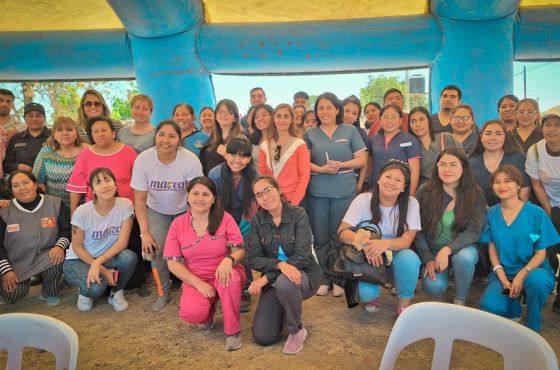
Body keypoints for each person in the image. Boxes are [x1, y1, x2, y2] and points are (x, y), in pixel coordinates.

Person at [164, 176, 246, 351]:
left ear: (214, 198)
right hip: (196, 277)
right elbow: (173, 263)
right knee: (192, 313)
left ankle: (233, 331)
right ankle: (207, 313)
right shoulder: (178, 224)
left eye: (205, 194)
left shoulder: (225, 218)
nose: (200, 198)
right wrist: (198, 284)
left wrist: (228, 260)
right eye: (195, 193)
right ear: (187, 197)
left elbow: (240, 249)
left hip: (224, 272)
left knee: (229, 281)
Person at [131, 120, 203, 311]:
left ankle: (194, 287)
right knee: (157, 248)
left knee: (190, 248)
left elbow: (196, 194)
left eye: (172, 136)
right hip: (156, 210)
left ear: (179, 140)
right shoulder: (144, 160)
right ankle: (163, 293)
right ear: (155, 136)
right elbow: (139, 200)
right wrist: (144, 233)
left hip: (185, 209)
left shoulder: (189, 160)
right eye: (162, 134)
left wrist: (192, 221)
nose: (166, 140)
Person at [479, 165, 559, 332]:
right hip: (504, 271)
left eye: (508, 181)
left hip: (533, 270)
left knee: (537, 282)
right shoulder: (491, 214)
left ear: (518, 185)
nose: (502, 186)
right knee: (489, 306)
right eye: (497, 182)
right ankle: (513, 306)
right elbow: (492, 248)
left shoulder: (536, 213)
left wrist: (521, 276)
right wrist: (502, 276)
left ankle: (533, 322)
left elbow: (540, 253)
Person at [247, 175, 320, 354]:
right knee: (263, 336)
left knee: (284, 283)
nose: (265, 197)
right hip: (277, 280)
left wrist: (267, 277)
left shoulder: (298, 214)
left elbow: (302, 256)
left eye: (268, 190)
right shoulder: (258, 220)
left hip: (303, 275)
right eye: (259, 194)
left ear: (278, 190)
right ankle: (286, 307)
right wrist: (280, 265)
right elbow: (253, 258)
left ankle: (296, 330)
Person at [338, 160, 421, 316]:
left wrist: (385, 244)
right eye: (387, 177)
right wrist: (364, 243)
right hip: (367, 252)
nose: (391, 183)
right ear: (378, 179)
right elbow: (342, 231)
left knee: (410, 259)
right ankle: (372, 298)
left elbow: (406, 240)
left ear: (404, 187)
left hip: (396, 250)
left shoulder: (411, 203)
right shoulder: (363, 200)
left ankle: (404, 305)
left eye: (398, 180)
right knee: (366, 293)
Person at [304, 92, 367, 297]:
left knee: (339, 236)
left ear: (337, 110)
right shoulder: (310, 133)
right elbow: (304, 162)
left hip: (344, 191)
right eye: (320, 108)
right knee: (321, 236)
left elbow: (362, 160)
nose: (325, 112)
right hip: (318, 192)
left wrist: (341, 165)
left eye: (329, 107)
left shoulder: (349, 131)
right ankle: (324, 277)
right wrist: (321, 169)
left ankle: (340, 278)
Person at [414, 148, 486, 305]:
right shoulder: (425, 191)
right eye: (443, 164)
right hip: (433, 249)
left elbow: (474, 231)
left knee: (464, 259)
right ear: (437, 167)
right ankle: (441, 304)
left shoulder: (476, 193)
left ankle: (460, 299)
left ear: (464, 168)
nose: (447, 169)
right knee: (433, 285)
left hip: (462, 247)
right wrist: (428, 259)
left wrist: (447, 250)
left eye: (453, 164)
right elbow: (416, 229)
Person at [63, 168, 137, 311]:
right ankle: (84, 292)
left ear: (115, 184)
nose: (105, 185)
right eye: (98, 182)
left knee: (129, 257)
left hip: (104, 258)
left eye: (108, 180)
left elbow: (122, 243)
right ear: (92, 190)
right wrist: (102, 269)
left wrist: (98, 262)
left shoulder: (126, 204)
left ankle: (116, 292)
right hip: (78, 260)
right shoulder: (82, 211)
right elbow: (77, 247)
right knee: (97, 288)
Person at [0, 170, 69, 306]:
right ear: (12, 190)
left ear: (35, 183)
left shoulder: (55, 203)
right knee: (12, 293)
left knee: (58, 258)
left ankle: (50, 292)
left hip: (46, 257)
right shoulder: (4, 211)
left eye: (25, 182)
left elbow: (66, 230)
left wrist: (59, 246)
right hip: (16, 263)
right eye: (16, 185)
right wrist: (6, 271)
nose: (22, 188)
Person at [525, 106, 560, 311]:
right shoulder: (536, 150)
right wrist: (549, 210)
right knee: (544, 246)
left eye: (557, 125)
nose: (552, 129)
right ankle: (547, 285)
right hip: (547, 204)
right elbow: (536, 183)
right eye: (548, 124)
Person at [67, 117, 137, 215]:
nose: (100, 134)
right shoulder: (85, 154)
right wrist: (73, 212)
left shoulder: (129, 152)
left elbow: (140, 184)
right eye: (95, 131)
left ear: (113, 133)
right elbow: (76, 187)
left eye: (104, 130)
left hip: (126, 212)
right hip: (95, 214)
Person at [469, 119, 529, 207]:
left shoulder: (519, 157)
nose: (493, 138)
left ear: (505, 137)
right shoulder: (471, 162)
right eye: (488, 133)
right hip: (482, 214)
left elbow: (524, 191)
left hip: (515, 212)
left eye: (498, 133)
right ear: (481, 137)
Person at [259, 104, 310, 206]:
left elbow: (304, 176)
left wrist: (295, 203)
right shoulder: (265, 145)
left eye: (286, 116)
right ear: (274, 119)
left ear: (292, 120)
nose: (282, 119)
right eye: (278, 116)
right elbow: (262, 174)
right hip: (271, 200)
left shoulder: (299, 144)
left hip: (293, 201)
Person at [33, 116, 86, 207]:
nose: (65, 133)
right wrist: (49, 203)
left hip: (82, 206)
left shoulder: (86, 151)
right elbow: (38, 181)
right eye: (60, 130)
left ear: (76, 133)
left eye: (69, 129)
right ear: (53, 134)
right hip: (54, 206)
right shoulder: (46, 151)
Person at [369, 104, 421, 195]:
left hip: (400, 190)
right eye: (385, 117)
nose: (389, 121)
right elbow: (369, 164)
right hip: (376, 189)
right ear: (380, 121)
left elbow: (415, 169)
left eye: (394, 117)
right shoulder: (374, 139)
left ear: (401, 120)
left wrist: (411, 194)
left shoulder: (410, 140)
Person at [408, 106, 462, 184]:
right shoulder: (411, 147)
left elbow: (464, 163)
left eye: (422, 119)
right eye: (413, 121)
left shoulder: (446, 138)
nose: (418, 124)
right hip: (425, 192)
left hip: (450, 188)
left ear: (429, 121)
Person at [4, 103, 51, 174]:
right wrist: (18, 166)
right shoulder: (16, 138)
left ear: (44, 118)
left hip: (51, 182)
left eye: (38, 116)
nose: (34, 119)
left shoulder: (54, 136)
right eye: (30, 116)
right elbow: (6, 165)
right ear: (24, 118)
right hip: (24, 182)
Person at [200, 99, 243, 175]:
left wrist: (226, 155)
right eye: (220, 111)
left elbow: (245, 165)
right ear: (215, 116)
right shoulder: (213, 138)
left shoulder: (242, 139)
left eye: (228, 112)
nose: (223, 115)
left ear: (235, 118)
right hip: (211, 183)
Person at [342, 96, 369, 192]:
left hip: (353, 181)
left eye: (354, 113)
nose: (349, 116)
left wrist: (360, 185)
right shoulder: (329, 129)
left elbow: (364, 162)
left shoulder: (361, 133)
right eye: (347, 111)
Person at [249, 104, 274, 169]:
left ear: (273, 117)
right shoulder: (252, 139)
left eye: (264, 115)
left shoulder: (281, 139)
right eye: (256, 117)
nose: (260, 119)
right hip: (256, 178)